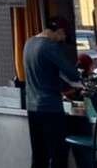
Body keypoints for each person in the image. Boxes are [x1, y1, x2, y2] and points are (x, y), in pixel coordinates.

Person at [24, 16, 82, 168]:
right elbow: (72, 74)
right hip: (50, 107)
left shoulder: (29, 43)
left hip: (32, 106)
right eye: (63, 36)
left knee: (39, 155)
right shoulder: (49, 46)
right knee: (58, 154)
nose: (62, 40)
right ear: (60, 31)